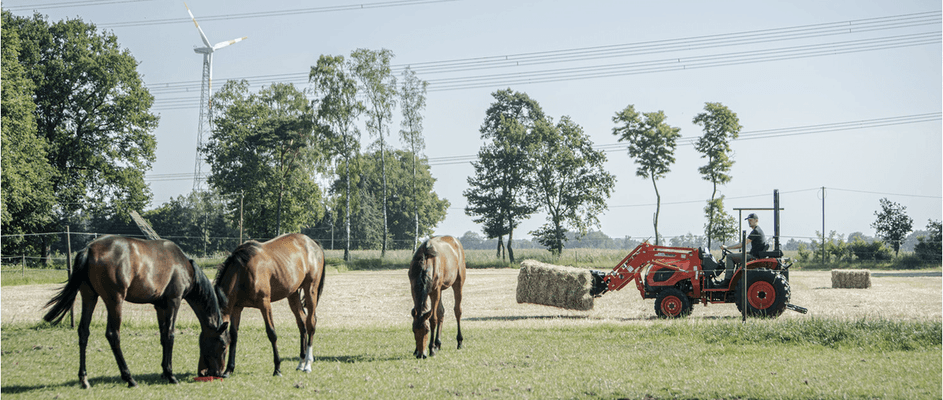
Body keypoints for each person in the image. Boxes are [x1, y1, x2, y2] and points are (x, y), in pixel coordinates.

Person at [719, 213, 766, 284]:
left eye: (751, 220)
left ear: (756, 220)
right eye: (748, 220)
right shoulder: (758, 230)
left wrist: (727, 247)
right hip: (754, 254)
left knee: (729, 257)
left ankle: (727, 280)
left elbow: (742, 244)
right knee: (735, 255)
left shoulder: (756, 231)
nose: (749, 222)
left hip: (754, 256)